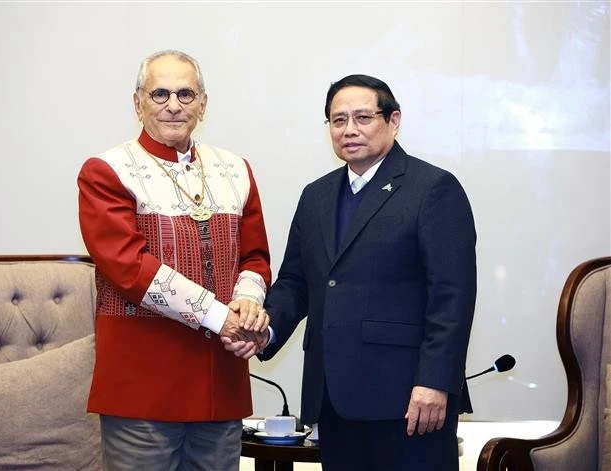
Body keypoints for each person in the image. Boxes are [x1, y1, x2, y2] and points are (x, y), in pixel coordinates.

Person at [225, 74, 476, 470]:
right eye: (338, 120)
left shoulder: (433, 189)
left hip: (409, 400)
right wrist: (265, 329)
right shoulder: (316, 195)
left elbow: (453, 297)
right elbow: (295, 282)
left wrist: (435, 381)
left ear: (394, 121)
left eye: (363, 117)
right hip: (334, 399)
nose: (350, 129)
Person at [77, 50, 271, 471]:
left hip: (221, 382)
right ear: (138, 102)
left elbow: (254, 256)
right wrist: (223, 317)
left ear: (203, 104)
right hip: (142, 388)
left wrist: (248, 305)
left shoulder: (235, 168)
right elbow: (130, 268)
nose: (173, 105)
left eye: (186, 94)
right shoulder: (106, 170)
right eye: (160, 93)